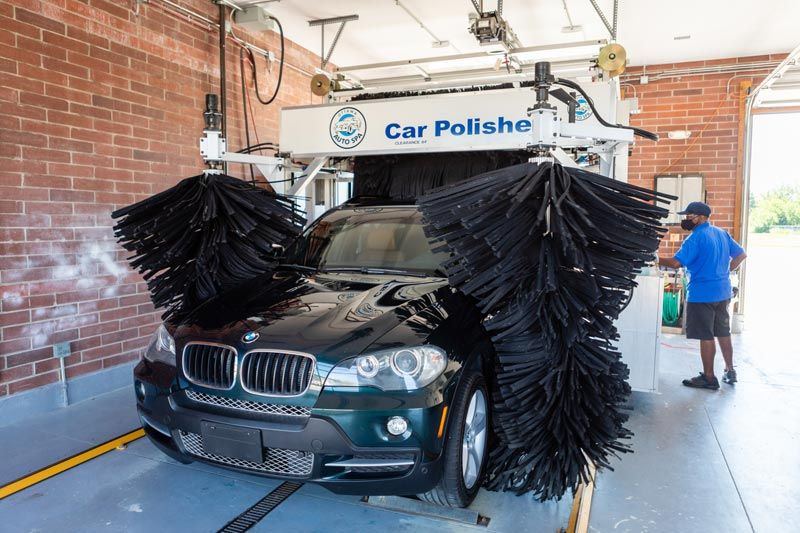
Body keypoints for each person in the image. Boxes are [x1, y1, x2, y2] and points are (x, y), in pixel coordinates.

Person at [659, 201, 747, 390]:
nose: (686, 219)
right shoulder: (721, 233)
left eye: (689, 215)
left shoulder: (695, 238)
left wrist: (653, 259)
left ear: (700, 217)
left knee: (706, 335)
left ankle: (709, 377)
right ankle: (730, 371)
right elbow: (741, 254)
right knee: (723, 332)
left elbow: (675, 263)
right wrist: (726, 272)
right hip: (722, 292)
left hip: (702, 294)